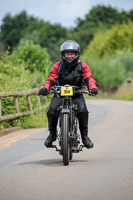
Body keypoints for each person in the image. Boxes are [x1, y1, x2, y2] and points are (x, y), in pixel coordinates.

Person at [39, 40, 98, 149]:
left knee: (83, 111)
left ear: (76, 54)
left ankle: (85, 137)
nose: (70, 56)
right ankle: (52, 135)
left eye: (72, 54)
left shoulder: (82, 65)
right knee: (51, 111)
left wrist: (93, 88)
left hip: (76, 94)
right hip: (59, 94)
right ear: (63, 54)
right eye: (67, 53)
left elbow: (89, 77)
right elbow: (51, 79)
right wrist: (45, 88)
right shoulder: (58, 66)